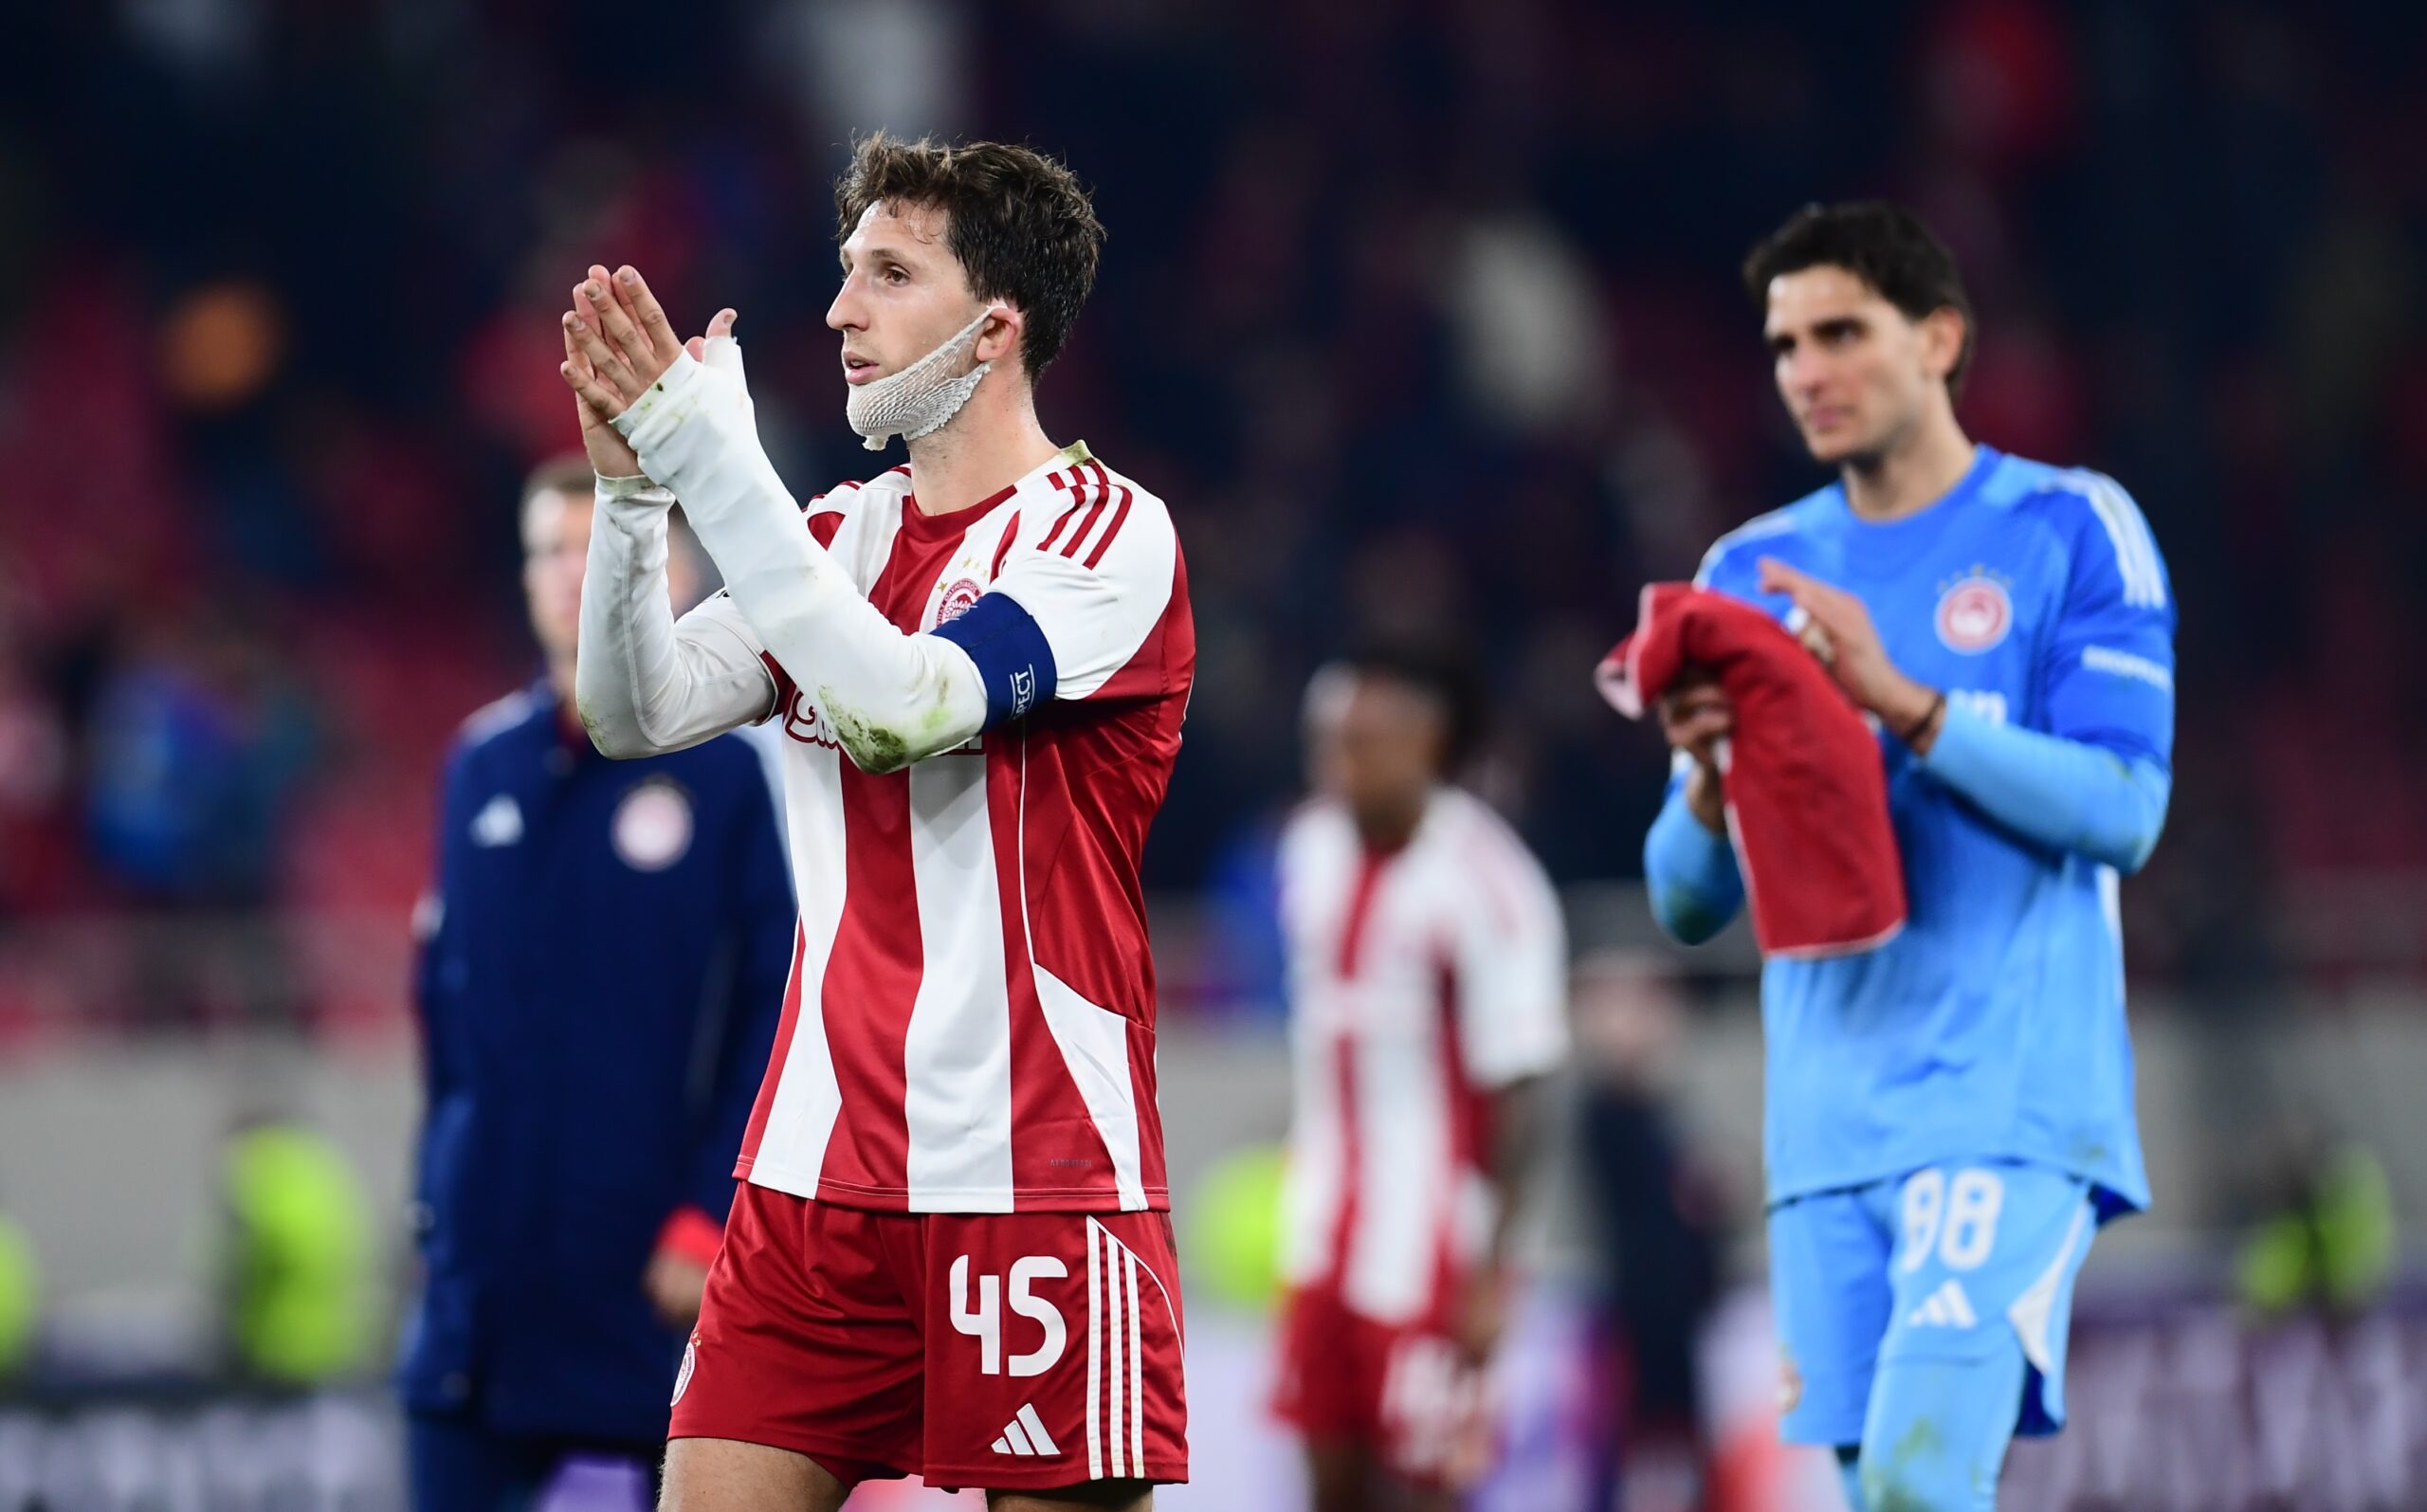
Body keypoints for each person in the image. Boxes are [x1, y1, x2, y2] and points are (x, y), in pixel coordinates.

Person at [561, 133, 1195, 1512]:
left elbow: (902, 705)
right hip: (810, 1177)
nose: (842, 308)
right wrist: (635, 491)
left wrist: (706, 448)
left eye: (892, 275)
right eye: (847, 269)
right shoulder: (837, 535)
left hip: (1035, 1171)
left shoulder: (1105, 535)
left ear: (995, 327)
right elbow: (631, 709)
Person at [1642, 201, 2176, 1510]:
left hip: (2005, 1100)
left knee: (1918, 1481)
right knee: (1881, 1492)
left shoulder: (2069, 526)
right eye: (1784, 346)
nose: (1805, 372)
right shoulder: (1750, 570)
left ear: (1938, 338)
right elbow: (1682, 901)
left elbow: (2124, 809)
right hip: (1826, 1129)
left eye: (1841, 333)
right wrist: (1707, 778)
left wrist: (1904, 703)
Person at [402, 457, 793, 1510]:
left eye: (606, 545)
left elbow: (776, 1010)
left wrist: (713, 1212)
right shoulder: (480, 765)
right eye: (552, 550)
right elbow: (445, 1010)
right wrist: (437, 1195)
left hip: (655, 1274)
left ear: (678, 574)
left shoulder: (732, 776)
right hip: (488, 1280)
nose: (577, 572)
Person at [1270, 645, 1567, 1512]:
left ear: (1426, 742)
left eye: (1361, 743)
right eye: (1329, 742)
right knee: (1326, 1482)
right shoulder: (1308, 849)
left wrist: (1498, 1270)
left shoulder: (1490, 880)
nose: (1339, 763)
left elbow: (1527, 1089)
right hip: (1320, 1227)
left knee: (1426, 1490)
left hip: (1432, 1247)